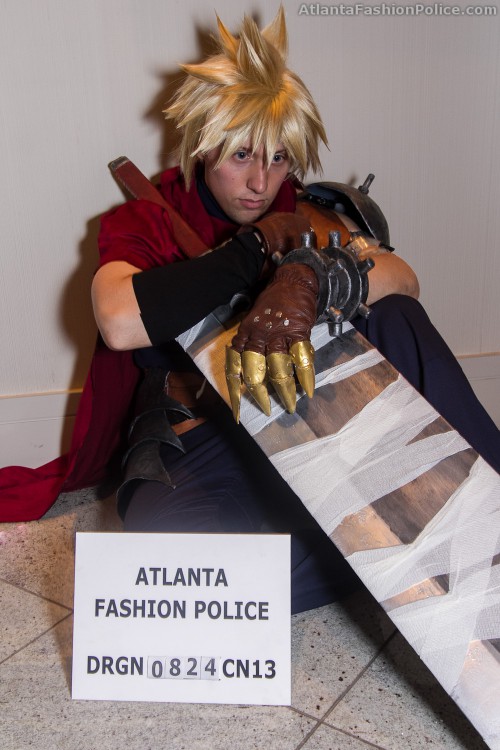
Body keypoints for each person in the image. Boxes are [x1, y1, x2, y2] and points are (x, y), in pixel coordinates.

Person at [0, 8, 497, 606]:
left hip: (304, 419)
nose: (262, 182)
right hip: (200, 435)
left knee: (396, 316)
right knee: (174, 574)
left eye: (279, 158)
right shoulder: (146, 221)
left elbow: (404, 279)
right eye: (241, 156)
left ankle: (487, 506)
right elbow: (119, 320)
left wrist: (311, 275)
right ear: (203, 147)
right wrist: (254, 249)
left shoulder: (307, 211)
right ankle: (392, 552)